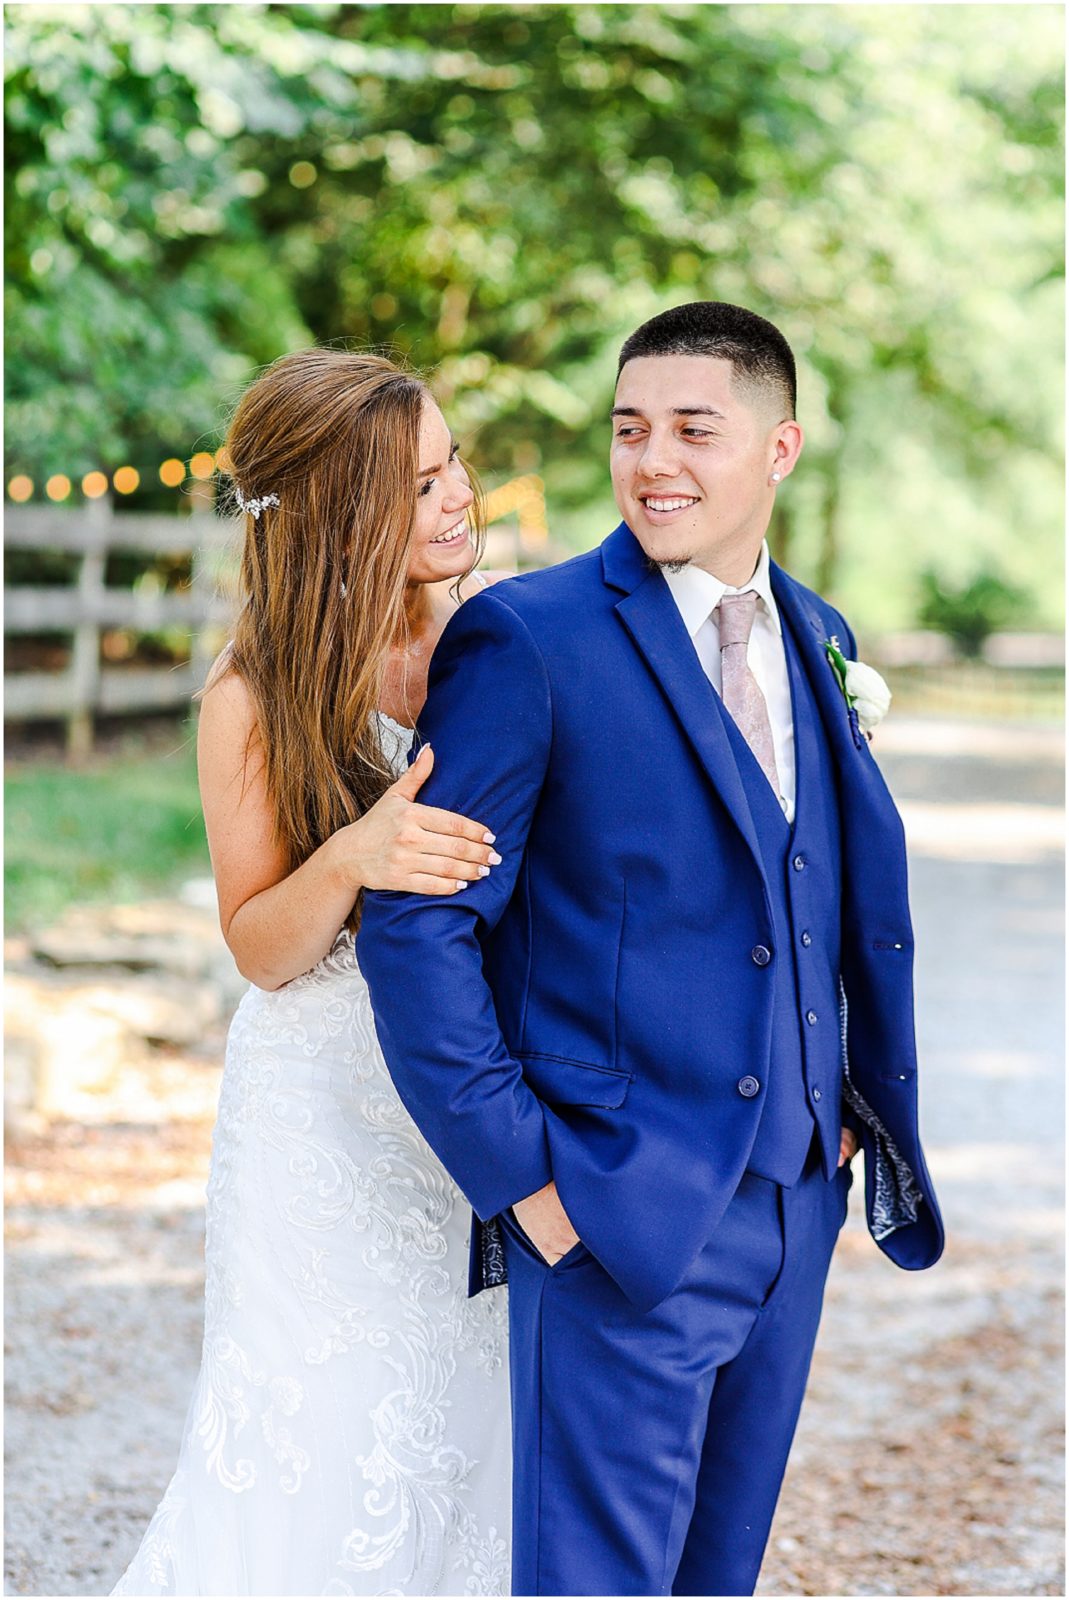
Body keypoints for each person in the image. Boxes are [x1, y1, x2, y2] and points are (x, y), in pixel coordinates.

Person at [358, 302, 945, 1597]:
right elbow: (415, 925)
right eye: (629, 430)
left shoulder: (820, 636)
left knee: (714, 1578)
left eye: (694, 429)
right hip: (613, 1209)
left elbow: (811, 891)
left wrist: (838, 1122)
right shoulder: (530, 639)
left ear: (780, 450)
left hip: (794, 1202)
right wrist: (526, 1181)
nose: (652, 461)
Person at [112, 349, 513, 1597]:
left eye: (454, 467)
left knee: (467, 1410)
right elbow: (261, 946)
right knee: (315, 1417)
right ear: (338, 512)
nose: (458, 499)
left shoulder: (502, 641)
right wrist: (354, 850)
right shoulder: (251, 693)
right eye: (421, 483)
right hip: (317, 1115)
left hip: (464, 1085)